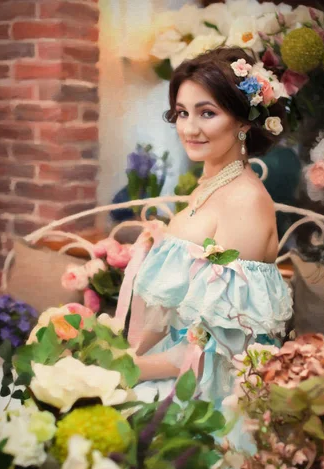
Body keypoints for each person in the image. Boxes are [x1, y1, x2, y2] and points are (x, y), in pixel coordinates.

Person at [116, 46, 293, 409]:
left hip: (211, 396)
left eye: (207, 113)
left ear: (243, 122)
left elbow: (224, 353)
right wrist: (121, 352)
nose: (189, 128)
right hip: (174, 365)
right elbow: (172, 310)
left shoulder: (245, 200)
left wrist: (130, 369)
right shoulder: (208, 185)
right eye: (182, 113)